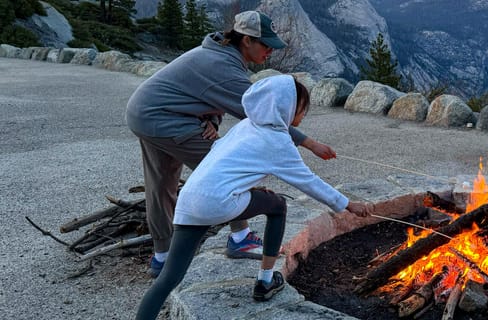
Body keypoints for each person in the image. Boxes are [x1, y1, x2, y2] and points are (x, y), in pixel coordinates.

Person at [136, 75, 373, 320]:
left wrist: (247, 189)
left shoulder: (246, 125)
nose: (303, 114)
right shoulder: (278, 141)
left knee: (169, 277)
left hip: (190, 200)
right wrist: (348, 204)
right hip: (219, 202)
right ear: (285, 107)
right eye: (301, 108)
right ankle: (265, 281)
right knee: (278, 206)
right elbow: (310, 182)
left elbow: (224, 160)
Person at [126, 11, 336, 277]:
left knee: (161, 185)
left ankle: (162, 256)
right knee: (227, 170)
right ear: (246, 40)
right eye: (266, 45)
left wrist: (211, 120)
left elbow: (205, 94)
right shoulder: (223, 65)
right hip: (165, 119)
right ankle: (240, 238)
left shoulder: (220, 55)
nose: (270, 51)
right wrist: (310, 143)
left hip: (144, 113)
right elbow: (260, 113)